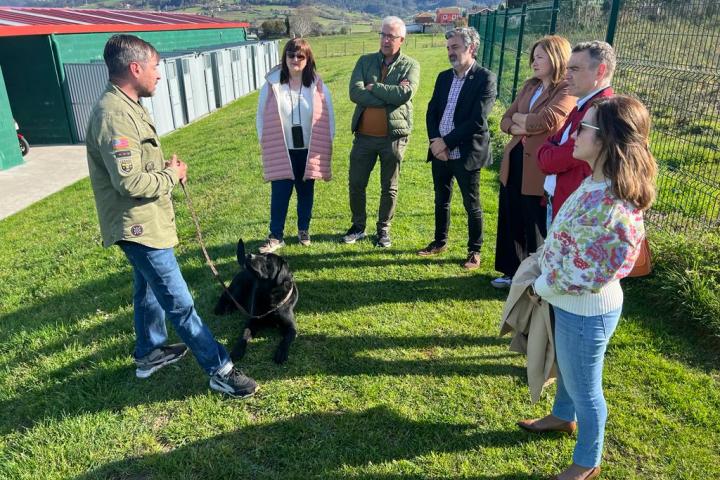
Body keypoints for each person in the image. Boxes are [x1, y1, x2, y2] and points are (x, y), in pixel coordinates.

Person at [85, 34, 258, 398]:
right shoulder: (113, 115)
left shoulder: (127, 105)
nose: (159, 75)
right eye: (155, 67)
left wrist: (162, 168)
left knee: (146, 288)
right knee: (180, 302)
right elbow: (129, 181)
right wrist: (171, 176)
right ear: (135, 68)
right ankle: (219, 368)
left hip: (146, 220)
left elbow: (135, 166)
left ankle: (149, 352)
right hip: (138, 226)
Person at [518, 95, 657, 480]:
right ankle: (563, 417)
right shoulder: (594, 181)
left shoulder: (612, 202)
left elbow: (592, 271)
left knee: (586, 388)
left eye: (584, 128)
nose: (573, 132)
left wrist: (543, 284)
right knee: (568, 368)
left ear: (607, 139)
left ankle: (587, 461)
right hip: (567, 302)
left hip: (586, 310)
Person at [491, 35, 575, 288]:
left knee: (534, 221)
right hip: (515, 159)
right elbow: (504, 120)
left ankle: (534, 277)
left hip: (538, 166)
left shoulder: (565, 88)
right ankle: (511, 271)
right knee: (510, 215)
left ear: (556, 57)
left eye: (540, 57)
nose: (534, 63)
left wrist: (522, 122)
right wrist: (522, 124)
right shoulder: (529, 86)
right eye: (533, 58)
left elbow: (549, 121)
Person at [417, 27, 497, 270]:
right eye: (448, 47)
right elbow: (432, 111)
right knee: (441, 199)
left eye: (455, 47)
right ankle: (439, 242)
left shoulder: (485, 78)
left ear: (471, 48)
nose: (450, 52)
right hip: (440, 151)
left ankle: (474, 251)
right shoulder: (444, 77)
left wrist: (446, 142)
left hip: (465, 152)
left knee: (471, 203)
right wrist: (434, 141)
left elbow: (477, 120)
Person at [342, 16, 420, 248]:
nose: (385, 40)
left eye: (391, 36)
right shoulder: (364, 61)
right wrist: (389, 96)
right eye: (383, 35)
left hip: (393, 138)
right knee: (356, 183)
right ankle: (358, 227)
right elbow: (355, 93)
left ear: (402, 39)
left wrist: (374, 87)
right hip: (364, 137)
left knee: (389, 187)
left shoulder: (411, 65)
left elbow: (404, 95)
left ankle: (383, 230)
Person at [256, 38, 335, 253]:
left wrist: (325, 146)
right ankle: (276, 235)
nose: (295, 59)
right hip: (281, 149)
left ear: (308, 59)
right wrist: (265, 142)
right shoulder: (272, 85)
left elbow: (329, 118)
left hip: (308, 149)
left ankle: (303, 230)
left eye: (301, 56)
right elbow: (261, 117)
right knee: (280, 193)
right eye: (291, 55)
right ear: (285, 57)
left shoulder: (317, 86)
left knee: (306, 192)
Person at [536, 41, 616, 225]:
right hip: (564, 202)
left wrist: (549, 151)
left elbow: (553, 160)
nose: (566, 76)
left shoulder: (600, 112)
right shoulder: (582, 104)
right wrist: (549, 149)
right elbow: (550, 144)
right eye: (567, 69)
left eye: (575, 69)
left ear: (600, 71)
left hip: (576, 212)